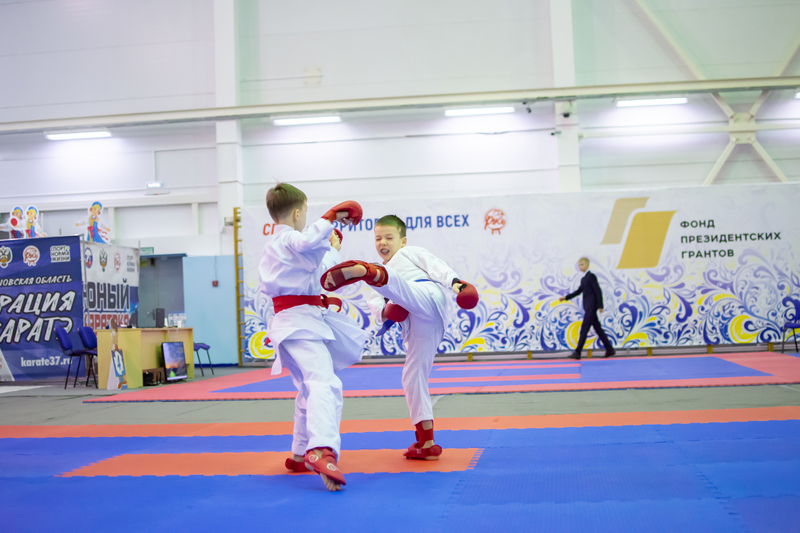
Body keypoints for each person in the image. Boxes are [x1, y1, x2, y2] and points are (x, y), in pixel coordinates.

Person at [320, 215, 479, 461]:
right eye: (378, 238)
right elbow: (376, 306)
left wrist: (457, 285)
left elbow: (437, 268)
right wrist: (387, 312)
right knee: (412, 375)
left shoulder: (411, 253)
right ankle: (426, 442)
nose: (383, 242)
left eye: (389, 237)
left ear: (403, 241)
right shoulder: (382, 286)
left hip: (425, 293)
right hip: (420, 322)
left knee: (399, 286)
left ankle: (368, 271)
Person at [258, 182, 367, 491]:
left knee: (308, 389)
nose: (306, 217)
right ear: (297, 213)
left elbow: (318, 272)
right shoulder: (290, 239)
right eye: (306, 211)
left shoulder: (280, 247)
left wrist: (332, 247)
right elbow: (307, 242)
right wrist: (332, 216)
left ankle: (298, 453)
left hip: (294, 324)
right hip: (300, 325)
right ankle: (321, 449)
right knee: (325, 384)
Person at [558, 257, 615, 360]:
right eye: (579, 265)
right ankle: (609, 349)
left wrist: (600, 305)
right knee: (598, 329)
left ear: (587, 265)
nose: (580, 267)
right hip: (588, 308)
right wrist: (566, 297)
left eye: (582, 265)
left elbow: (598, 290)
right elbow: (578, 291)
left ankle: (578, 352)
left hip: (591, 308)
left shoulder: (591, 276)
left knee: (584, 330)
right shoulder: (583, 279)